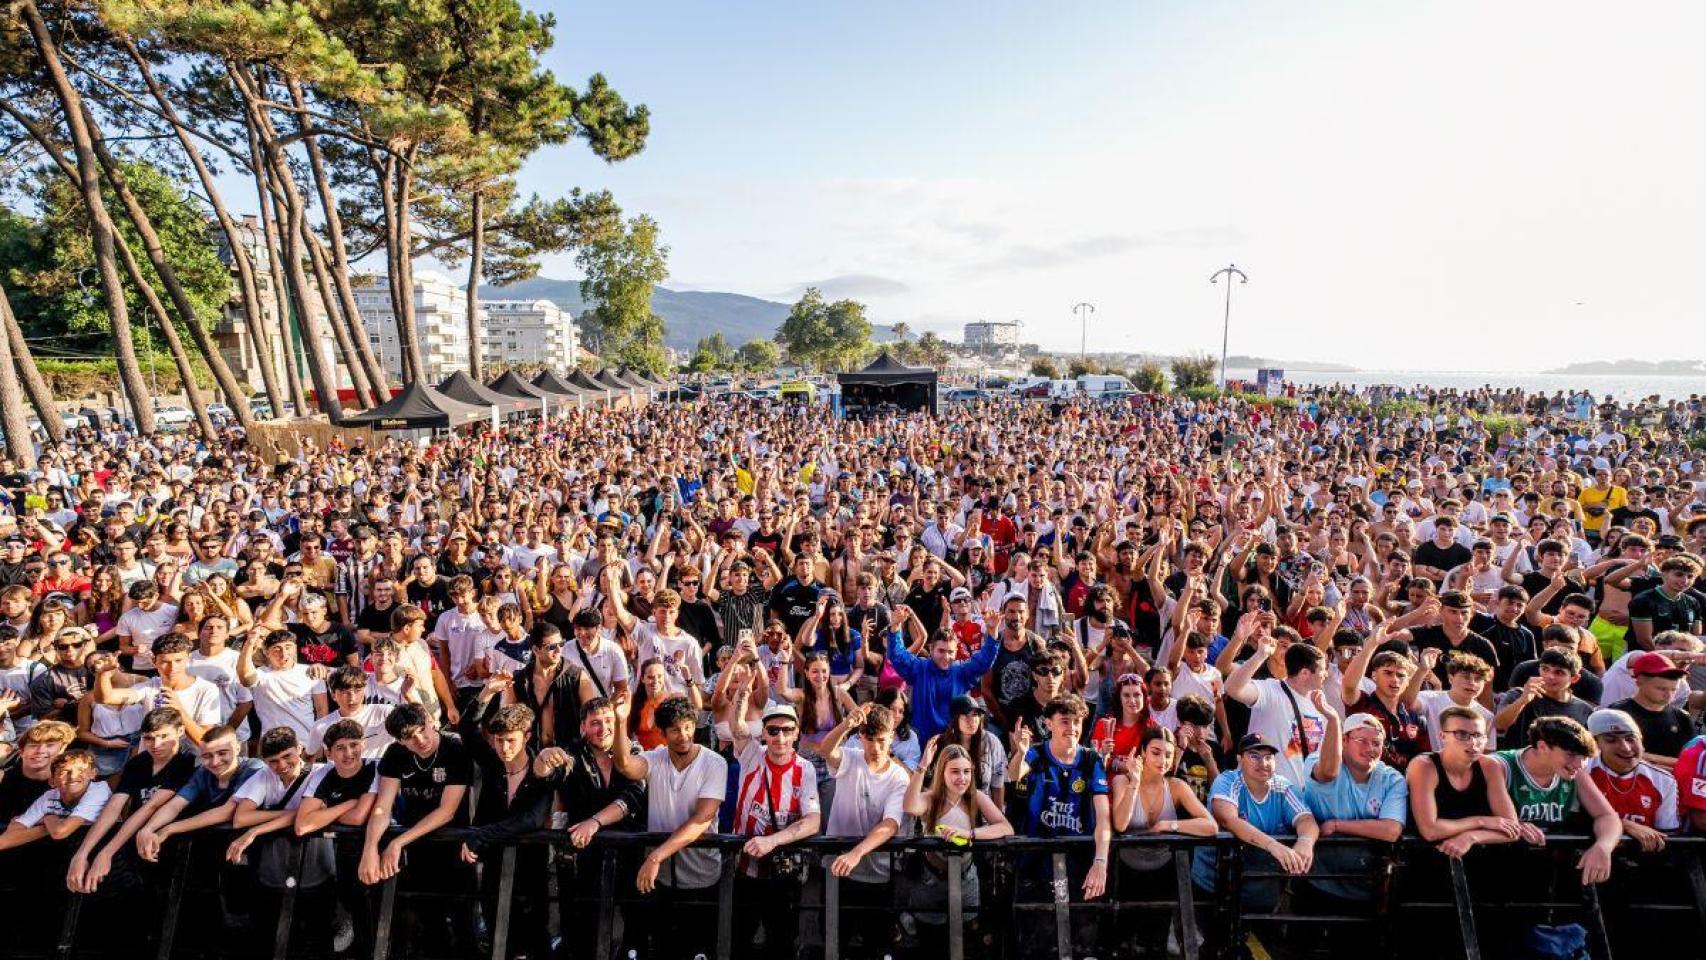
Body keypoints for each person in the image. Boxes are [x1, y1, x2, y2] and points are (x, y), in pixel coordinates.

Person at [611, 691, 727, 960]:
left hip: (701, 875)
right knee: (665, 947)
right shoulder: (655, 758)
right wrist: (620, 722)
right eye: (675, 730)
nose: (684, 735)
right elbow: (625, 764)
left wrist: (655, 855)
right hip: (662, 879)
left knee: (699, 951)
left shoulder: (714, 763)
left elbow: (702, 819)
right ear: (663, 733)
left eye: (688, 727)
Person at [722, 670, 822, 960]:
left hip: (782, 873)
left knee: (782, 941)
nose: (780, 737)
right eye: (773, 730)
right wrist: (743, 689)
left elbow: (813, 820)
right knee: (740, 938)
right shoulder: (751, 754)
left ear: (797, 734)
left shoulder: (805, 770)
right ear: (764, 733)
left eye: (787, 730)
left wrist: (772, 841)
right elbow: (736, 725)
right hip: (745, 870)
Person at [1007, 694, 1111, 955]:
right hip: (1035, 861)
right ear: (1048, 724)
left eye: (1077, 722)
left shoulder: (1091, 760)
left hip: (1079, 861)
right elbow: (1014, 775)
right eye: (1065, 721)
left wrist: (1100, 862)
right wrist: (1020, 754)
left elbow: (1103, 817)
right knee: (1038, 938)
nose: (1073, 728)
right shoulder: (1036, 754)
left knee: (1082, 939)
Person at [1108, 726, 1216, 953]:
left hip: (1163, 872)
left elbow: (1211, 826)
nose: (1162, 760)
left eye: (1168, 754)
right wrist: (1134, 783)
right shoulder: (1122, 781)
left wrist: (1170, 825)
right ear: (1142, 753)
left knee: (1155, 942)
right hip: (1126, 872)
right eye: (1156, 752)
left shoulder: (1176, 786)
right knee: (1121, 939)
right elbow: (1120, 824)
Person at [899, 740, 1014, 955]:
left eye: (966, 771)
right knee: (932, 941)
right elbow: (909, 806)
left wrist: (970, 834)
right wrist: (923, 766)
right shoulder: (931, 798)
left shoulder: (976, 797)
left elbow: (1006, 827)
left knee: (967, 938)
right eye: (954, 772)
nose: (962, 778)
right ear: (942, 772)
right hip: (930, 879)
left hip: (966, 876)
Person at [1192, 730, 1319, 912]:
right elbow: (1228, 819)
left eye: (1269, 757)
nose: (1263, 763)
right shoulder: (1227, 781)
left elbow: (1306, 818)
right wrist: (1273, 845)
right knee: (1215, 937)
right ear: (1239, 759)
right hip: (1214, 883)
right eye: (1254, 756)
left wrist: (1305, 842)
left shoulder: (1283, 786)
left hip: (1261, 887)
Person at [820, 703, 910, 956]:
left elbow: (890, 823)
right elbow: (826, 750)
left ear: (891, 737)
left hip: (877, 873)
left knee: (877, 943)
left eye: (881, 740)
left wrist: (856, 852)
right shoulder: (850, 757)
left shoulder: (898, 777)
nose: (875, 747)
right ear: (861, 737)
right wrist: (846, 725)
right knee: (835, 940)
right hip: (839, 868)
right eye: (869, 739)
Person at [1302, 708, 1408, 911]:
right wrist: (1333, 720)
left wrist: (1336, 825)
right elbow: (1328, 772)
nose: (1370, 749)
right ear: (1344, 741)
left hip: (1367, 883)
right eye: (1362, 741)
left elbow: (1391, 830)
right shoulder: (1317, 760)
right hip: (1318, 878)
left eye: (1376, 743)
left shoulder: (1391, 778)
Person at [1492, 716, 1621, 884]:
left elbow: (1607, 816)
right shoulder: (1498, 765)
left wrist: (1603, 847)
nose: (1580, 764)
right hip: (1497, 869)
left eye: (1584, 757)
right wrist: (1511, 825)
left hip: (1547, 872)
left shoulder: (1576, 773)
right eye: (1571, 755)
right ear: (1542, 746)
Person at [1224, 633, 1330, 788]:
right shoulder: (1270, 690)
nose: (1326, 673)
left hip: (1304, 797)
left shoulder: (1320, 703)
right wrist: (1261, 655)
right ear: (1305, 673)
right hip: (1266, 794)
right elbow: (1232, 688)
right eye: (1322, 669)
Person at [881, 608, 1000, 743]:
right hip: (921, 743)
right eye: (941, 651)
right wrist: (895, 627)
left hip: (952, 743)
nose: (946, 657)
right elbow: (897, 655)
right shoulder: (919, 668)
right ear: (931, 649)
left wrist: (992, 633)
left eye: (950, 652)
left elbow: (984, 661)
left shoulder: (961, 672)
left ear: (956, 652)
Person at [1584, 709, 1678, 851]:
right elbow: (1571, 823)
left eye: (1630, 739)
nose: (1626, 748)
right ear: (1595, 745)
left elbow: (1668, 835)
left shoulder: (1664, 781)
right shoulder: (1581, 772)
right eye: (1611, 740)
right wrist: (1623, 825)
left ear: (1642, 742)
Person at [1606, 651, 1700, 768]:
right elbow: (1611, 753)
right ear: (1639, 682)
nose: (1669, 695)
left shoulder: (1681, 717)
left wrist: (1645, 757)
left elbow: (1694, 760)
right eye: (1661, 689)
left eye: (1673, 690)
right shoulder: (1618, 713)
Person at [1494, 648, 1595, 740]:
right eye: (1545, 669)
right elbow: (1499, 725)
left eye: (1559, 672)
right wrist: (1522, 701)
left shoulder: (1584, 710)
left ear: (1574, 678)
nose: (1550, 676)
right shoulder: (1518, 694)